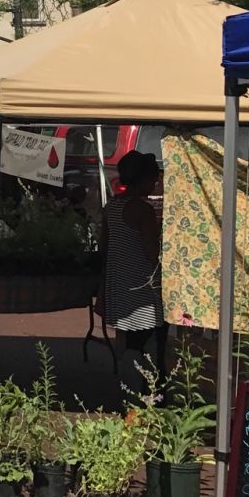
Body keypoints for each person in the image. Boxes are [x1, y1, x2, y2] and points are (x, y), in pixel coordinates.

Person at [102, 151, 165, 372]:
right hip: (142, 286)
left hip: (120, 283)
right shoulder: (143, 211)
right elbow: (152, 253)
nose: (156, 184)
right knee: (149, 338)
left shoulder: (111, 207)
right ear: (143, 180)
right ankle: (147, 381)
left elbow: (106, 245)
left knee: (125, 336)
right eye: (153, 180)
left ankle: (123, 375)